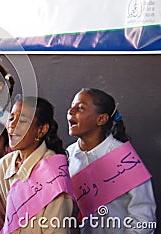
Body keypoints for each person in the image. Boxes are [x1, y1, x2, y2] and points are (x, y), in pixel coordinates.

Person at [66, 88, 156, 233]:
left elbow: (143, 218)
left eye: (80, 108)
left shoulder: (125, 159)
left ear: (101, 119)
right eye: (72, 106)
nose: (71, 111)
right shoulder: (68, 156)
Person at [0, 95, 74, 234]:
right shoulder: (5, 164)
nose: (12, 125)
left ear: (41, 130)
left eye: (22, 121)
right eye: (11, 119)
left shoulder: (54, 174)